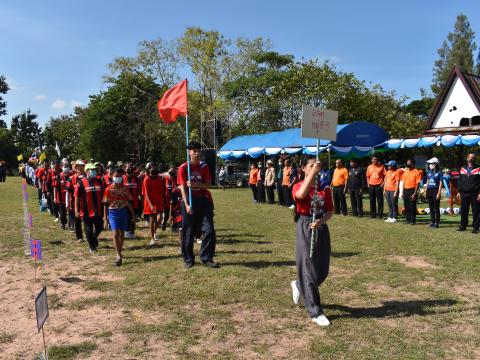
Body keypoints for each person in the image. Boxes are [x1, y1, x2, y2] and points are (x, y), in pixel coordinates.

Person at [291, 157, 334, 327]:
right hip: (305, 225)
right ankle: (315, 311)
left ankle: (299, 285)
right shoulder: (298, 185)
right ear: (303, 169)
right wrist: (312, 175)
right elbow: (300, 195)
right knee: (308, 269)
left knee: (322, 270)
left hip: (321, 227)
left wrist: (322, 220)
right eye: (311, 166)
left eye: (317, 166)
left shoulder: (324, 188)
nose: (316, 168)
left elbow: (330, 211)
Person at [177, 141, 218, 269]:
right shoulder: (183, 168)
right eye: (194, 150)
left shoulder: (204, 167)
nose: (197, 153)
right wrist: (187, 204)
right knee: (188, 232)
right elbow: (182, 187)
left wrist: (195, 185)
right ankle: (188, 259)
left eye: (199, 150)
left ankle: (206, 258)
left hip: (203, 201)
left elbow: (209, 184)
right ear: (189, 152)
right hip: (189, 201)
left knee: (209, 230)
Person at [103, 168, 136, 266]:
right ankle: (118, 255)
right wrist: (105, 218)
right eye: (116, 176)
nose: (118, 178)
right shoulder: (108, 189)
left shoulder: (125, 188)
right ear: (112, 177)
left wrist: (133, 215)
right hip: (112, 212)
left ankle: (120, 251)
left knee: (121, 234)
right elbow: (105, 203)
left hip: (123, 212)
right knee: (115, 233)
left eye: (119, 176)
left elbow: (129, 202)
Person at [74, 163, 104, 252]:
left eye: (95, 170)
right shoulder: (80, 183)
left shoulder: (99, 181)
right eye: (92, 170)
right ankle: (92, 246)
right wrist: (76, 209)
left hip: (98, 210)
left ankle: (93, 239)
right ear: (87, 171)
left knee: (100, 227)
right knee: (88, 230)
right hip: (86, 211)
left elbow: (103, 194)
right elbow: (77, 197)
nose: (94, 172)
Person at [142, 162, 166, 246]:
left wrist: (163, 200)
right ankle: (152, 238)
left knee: (160, 218)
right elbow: (146, 194)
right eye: (152, 169)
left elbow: (162, 190)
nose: (154, 170)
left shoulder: (160, 179)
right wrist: (151, 205)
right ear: (148, 170)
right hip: (150, 202)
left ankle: (155, 231)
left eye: (155, 168)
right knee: (152, 220)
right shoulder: (146, 179)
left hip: (159, 201)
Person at [457, 153, 480, 232]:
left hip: (475, 193)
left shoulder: (478, 169)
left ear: (475, 159)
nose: (471, 158)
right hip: (464, 193)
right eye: (470, 157)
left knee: (475, 211)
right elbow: (459, 181)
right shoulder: (462, 169)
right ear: (467, 158)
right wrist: (459, 192)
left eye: (473, 157)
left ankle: (475, 227)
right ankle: (463, 225)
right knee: (463, 210)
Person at [401, 159, 422, 225]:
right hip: (405, 190)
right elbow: (403, 182)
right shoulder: (405, 172)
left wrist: (414, 193)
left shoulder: (417, 172)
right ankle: (407, 219)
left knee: (412, 206)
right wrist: (402, 192)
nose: (407, 165)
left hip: (412, 190)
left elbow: (417, 184)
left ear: (412, 164)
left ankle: (413, 220)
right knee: (406, 206)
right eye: (407, 163)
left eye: (409, 163)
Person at [52, 162, 72, 230]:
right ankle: (63, 224)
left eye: (67, 166)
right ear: (62, 167)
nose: (66, 168)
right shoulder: (59, 176)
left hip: (70, 197)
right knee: (62, 211)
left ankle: (71, 224)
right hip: (61, 197)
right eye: (64, 166)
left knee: (71, 211)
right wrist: (54, 197)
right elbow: (55, 187)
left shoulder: (72, 175)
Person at [424, 157, 443, 228]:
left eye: (431, 164)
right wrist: (425, 191)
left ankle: (437, 223)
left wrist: (439, 193)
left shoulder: (439, 173)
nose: (429, 165)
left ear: (435, 164)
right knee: (431, 207)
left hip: (435, 191)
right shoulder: (429, 172)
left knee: (436, 208)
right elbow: (428, 182)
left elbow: (441, 184)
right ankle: (432, 222)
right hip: (429, 191)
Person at [123, 162, 140, 239]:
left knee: (133, 217)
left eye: (131, 167)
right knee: (126, 217)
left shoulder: (135, 178)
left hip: (135, 202)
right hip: (125, 202)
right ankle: (126, 231)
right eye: (128, 167)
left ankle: (132, 232)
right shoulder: (122, 178)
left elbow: (139, 189)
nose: (129, 169)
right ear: (124, 169)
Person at [71, 160, 86, 242]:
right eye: (78, 166)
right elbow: (68, 191)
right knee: (77, 220)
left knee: (87, 220)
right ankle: (79, 236)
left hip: (86, 202)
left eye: (81, 166)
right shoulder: (72, 178)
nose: (80, 168)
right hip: (75, 202)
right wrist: (67, 203)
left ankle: (89, 234)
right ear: (75, 167)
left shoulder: (87, 177)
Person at [162, 165, 177, 231]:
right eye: (170, 172)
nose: (171, 173)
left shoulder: (176, 179)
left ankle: (174, 226)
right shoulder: (165, 178)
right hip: (166, 199)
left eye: (173, 172)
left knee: (175, 213)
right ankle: (164, 222)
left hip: (175, 198)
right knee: (166, 213)